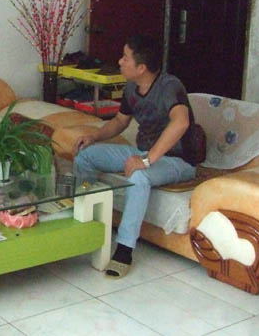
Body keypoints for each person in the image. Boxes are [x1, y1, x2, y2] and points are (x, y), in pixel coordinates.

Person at [73, 35, 196, 278]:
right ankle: (87, 220)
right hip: (142, 152)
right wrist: (94, 137)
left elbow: (181, 122)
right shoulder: (131, 86)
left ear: (141, 68)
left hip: (177, 160)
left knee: (139, 177)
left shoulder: (170, 86)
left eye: (125, 58)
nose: (119, 61)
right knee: (84, 156)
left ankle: (125, 249)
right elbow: (120, 121)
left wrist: (147, 160)